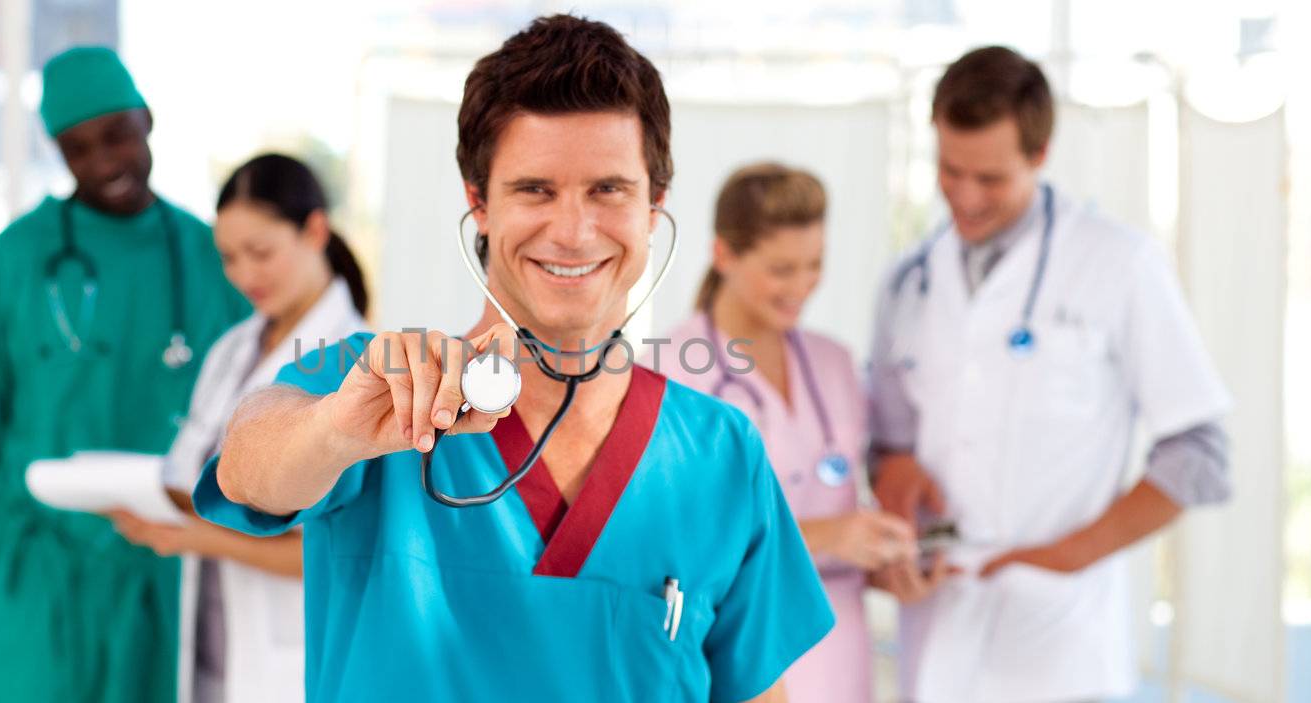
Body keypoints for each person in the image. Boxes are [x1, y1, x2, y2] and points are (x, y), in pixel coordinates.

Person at [193, 15, 832, 703]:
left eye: (608, 189)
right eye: (535, 189)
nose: (573, 230)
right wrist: (333, 431)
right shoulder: (379, 387)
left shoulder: (721, 453)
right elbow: (249, 463)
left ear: (654, 208)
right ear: (479, 202)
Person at [867, 46, 1232, 702]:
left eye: (991, 178)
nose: (966, 198)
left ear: (1039, 155)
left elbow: (1200, 451)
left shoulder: (1118, 264)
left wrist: (1070, 554)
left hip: (1060, 637)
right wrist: (897, 484)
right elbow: (888, 444)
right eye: (951, 172)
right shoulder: (909, 280)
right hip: (940, 623)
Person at [0, 46, 249, 702]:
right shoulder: (1, 270)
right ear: (58, 153)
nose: (105, 162)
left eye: (118, 136)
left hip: (167, 569)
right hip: (39, 578)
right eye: (78, 148)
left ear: (147, 119)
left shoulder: (215, 262)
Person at [108, 153, 370, 703]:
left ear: (315, 230)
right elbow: (196, 480)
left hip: (285, 664)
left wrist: (197, 536)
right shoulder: (233, 349)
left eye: (261, 253)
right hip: (211, 652)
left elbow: (332, 547)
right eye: (229, 258)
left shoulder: (355, 366)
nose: (245, 275)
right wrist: (141, 497)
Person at [648, 163, 914, 703]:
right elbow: (667, 544)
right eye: (781, 269)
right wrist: (830, 536)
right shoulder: (668, 372)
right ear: (724, 254)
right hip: (735, 665)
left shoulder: (835, 364)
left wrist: (889, 561)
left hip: (839, 657)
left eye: (814, 266)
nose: (802, 286)